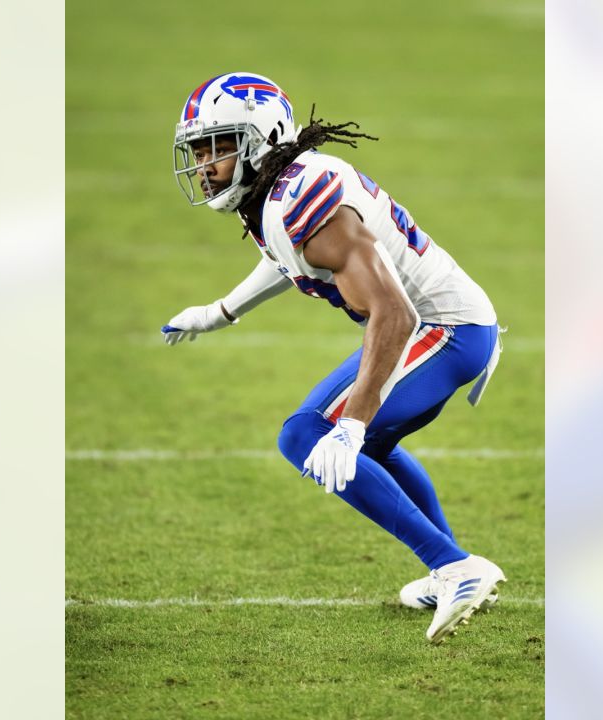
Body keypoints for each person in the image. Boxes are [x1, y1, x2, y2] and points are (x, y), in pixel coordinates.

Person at [163, 72, 506, 644]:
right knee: (362, 444)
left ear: (258, 138)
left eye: (216, 146)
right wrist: (220, 311)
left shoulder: (298, 198)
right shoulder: (280, 190)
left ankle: (455, 569)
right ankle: (450, 564)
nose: (204, 166)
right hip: (442, 325)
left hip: (444, 330)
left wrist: (350, 425)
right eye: (198, 151)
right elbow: (289, 256)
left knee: (306, 435)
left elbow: (394, 314)